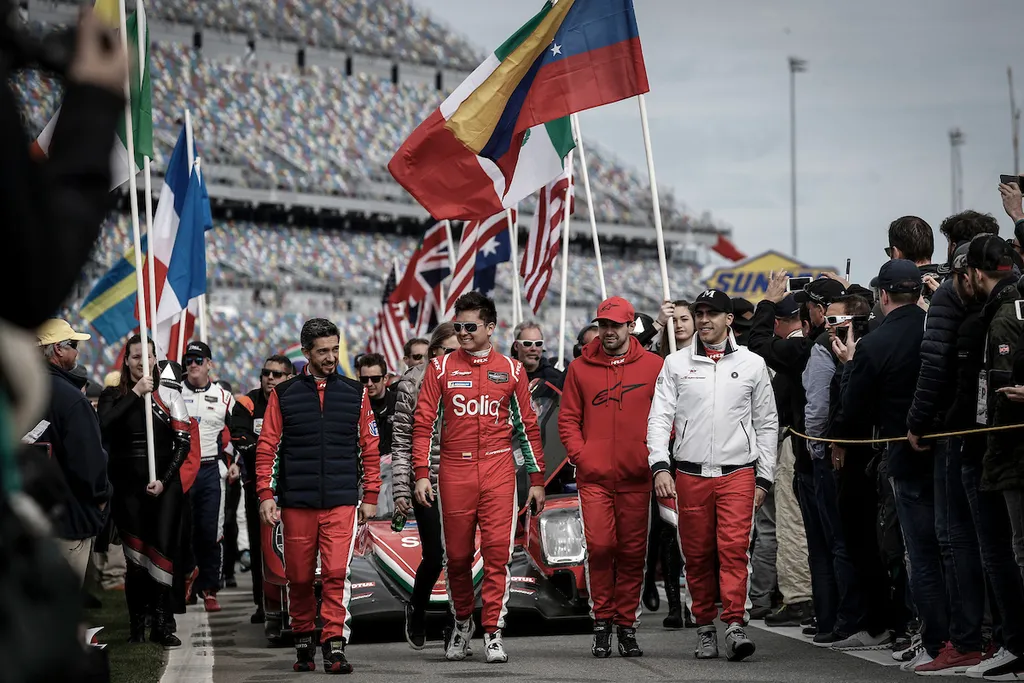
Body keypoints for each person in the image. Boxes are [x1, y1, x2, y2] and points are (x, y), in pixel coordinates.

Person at [412, 292, 545, 664]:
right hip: (454, 470)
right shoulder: (439, 369)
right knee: (455, 558)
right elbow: (423, 425)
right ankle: (460, 624)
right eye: (459, 327)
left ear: (490, 328)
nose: (464, 333)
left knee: (497, 555)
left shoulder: (513, 370)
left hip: (499, 470)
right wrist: (422, 474)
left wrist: (536, 479)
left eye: (470, 327)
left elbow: (527, 428)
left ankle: (493, 632)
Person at [648, 289, 778, 662]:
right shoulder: (674, 363)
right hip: (689, 474)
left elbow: (766, 423)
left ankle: (735, 625)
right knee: (698, 555)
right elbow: (659, 418)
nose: (704, 320)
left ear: (729, 319)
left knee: (734, 551)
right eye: (699, 313)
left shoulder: (753, 363)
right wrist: (659, 465)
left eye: (712, 313)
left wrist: (764, 477)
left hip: (738, 472)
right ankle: (705, 627)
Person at [256, 318, 381, 674]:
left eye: (334, 349)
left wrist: (370, 494)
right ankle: (302, 639)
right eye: (323, 350)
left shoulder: (356, 393)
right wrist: (266, 494)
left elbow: (370, 447)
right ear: (306, 352)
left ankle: (334, 647)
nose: (330, 357)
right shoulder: (284, 394)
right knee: (297, 576)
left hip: (341, 501)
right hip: (296, 503)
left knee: (336, 575)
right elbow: (268, 447)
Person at [559, 296, 663, 658]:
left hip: (638, 476)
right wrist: (582, 455)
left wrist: (654, 456)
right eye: (603, 325)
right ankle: (601, 620)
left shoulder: (654, 366)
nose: (608, 332)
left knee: (633, 554)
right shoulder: (579, 368)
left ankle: (626, 625)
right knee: (601, 548)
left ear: (630, 326)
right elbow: (568, 419)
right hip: (595, 477)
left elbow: (668, 417)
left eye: (615, 325)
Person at [98, 337, 191, 648]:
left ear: (155, 359)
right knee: (135, 560)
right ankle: (136, 624)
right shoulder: (114, 394)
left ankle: (162, 624)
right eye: (135, 357)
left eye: (147, 356)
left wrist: (164, 480)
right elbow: (104, 426)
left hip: (166, 486)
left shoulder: (170, 394)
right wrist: (136, 395)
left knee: (163, 555)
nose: (141, 362)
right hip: (128, 488)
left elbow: (183, 443)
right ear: (126, 361)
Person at [391, 322, 458, 649]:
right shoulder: (411, 383)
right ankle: (417, 610)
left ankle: (453, 626)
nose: (458, 356)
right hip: (425, 481)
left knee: (460, 557)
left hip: (463, 479)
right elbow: (401, 440)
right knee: (435, 555)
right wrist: (402, 488)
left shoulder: (471, 378)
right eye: (450, 350)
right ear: (435, 353)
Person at [34, 319, 111, 584]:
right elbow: (89, 465)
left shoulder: (13, 391)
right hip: (66, 521)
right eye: (74, 345)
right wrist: (101, 498)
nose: (77, 352)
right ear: (58, 349)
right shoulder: (71, 399)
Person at [231, 354, 294, 624]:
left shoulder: (296, 401)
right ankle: (262, 601)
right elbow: (239, 437)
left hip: (293, 486)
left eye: (277, 374)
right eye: (267, 372)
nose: (270, 377)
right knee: (260, 545)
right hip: (256, 486)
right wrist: (270, 451)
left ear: (288, 378)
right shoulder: (246, 402)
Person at [643, 299, 694, 627]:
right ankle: (674, 605)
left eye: (684, 319)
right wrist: (659, 324)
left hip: (697, 450)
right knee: (666, 528)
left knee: (694, 530)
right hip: (665, 452)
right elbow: (636, 352)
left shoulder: (708, 357)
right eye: (675, 321)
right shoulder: (660, 359)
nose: (679, 325)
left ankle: (695, 600)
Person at [180, 340, 237, 612]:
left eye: (198, 360)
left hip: (211, 470)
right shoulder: (174, 392)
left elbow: (237, 432)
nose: (192, 364)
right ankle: (188, 580)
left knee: (211, 531)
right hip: (181, 470)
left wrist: (235, 462)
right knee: (183, 530)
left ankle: (210, 588)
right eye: (188, 360)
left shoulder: (224, 396)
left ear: (209, 364)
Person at [356, 353, 396, 519]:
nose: (369, 384)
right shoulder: (354, 406)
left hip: (397, 472)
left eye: (375, 379)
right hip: (366, 474)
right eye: (364, 380)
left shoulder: (400, 402)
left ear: (385, 378)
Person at [512, 321, 564, 400]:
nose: (534, 348)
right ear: (516, 346)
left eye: (538, 343)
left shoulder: (556, 378)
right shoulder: (504, 375)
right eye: (527, 343)